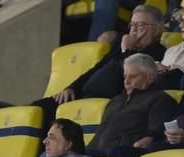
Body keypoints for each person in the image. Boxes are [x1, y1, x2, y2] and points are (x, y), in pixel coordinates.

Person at [33, 5, 167, 134]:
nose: (134, 30)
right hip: (82, 95)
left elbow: (122, 79)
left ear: (156, 31)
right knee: (38, 107)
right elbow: (94, 70)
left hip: (107, 99)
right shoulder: (118, 47)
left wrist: (127, 51)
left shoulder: (155, 53)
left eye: (141, 25)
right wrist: (71, 88)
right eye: (132, 25)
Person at [88, 53, 178, 157]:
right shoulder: (116, 101)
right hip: (100, 150)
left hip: (126, 151)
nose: (127, 81)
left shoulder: (159, 99)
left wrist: (149, 138)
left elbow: (156, 132)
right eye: (125, 76)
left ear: (150, 77)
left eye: (133, 76)